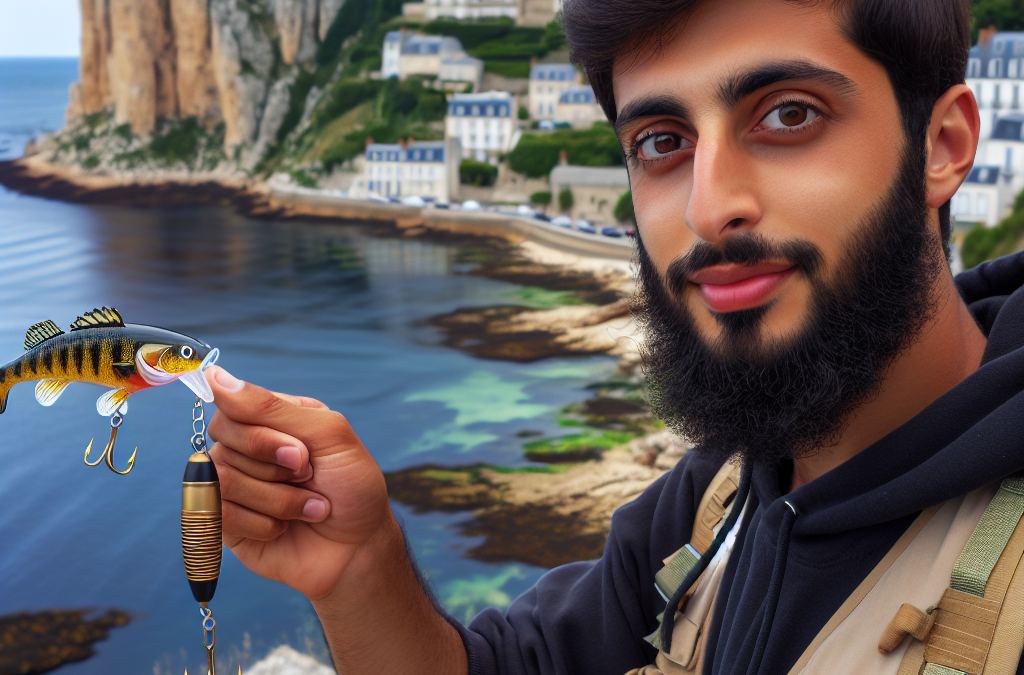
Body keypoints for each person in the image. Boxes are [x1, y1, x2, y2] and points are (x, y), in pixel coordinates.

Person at [202, 0, 1024, 673]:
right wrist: (360, 567)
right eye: (663, 142)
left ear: (942, 148)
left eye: (788, 114)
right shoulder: (718, 498)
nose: (709, 207)